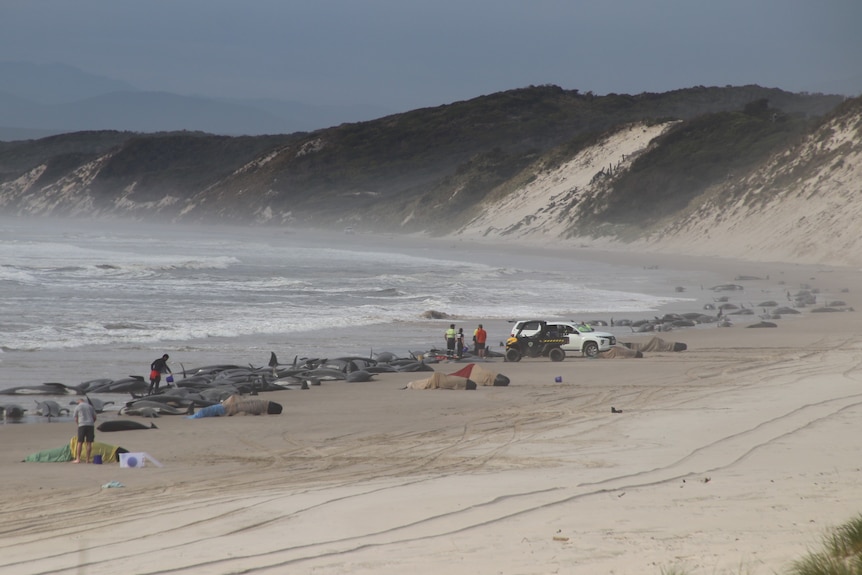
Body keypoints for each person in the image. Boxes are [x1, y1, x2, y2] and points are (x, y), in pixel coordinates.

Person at [72, 397, 97, 464]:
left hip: (82, 425)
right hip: (90, 425)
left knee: (80, 442)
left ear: (78, 402)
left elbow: (76, 418)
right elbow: (94, 417)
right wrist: (91, 423)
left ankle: (78, 459)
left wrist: (78, 424)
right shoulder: (90, 407)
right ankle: (87, 460)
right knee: (89, 442)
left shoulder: (78, 407)